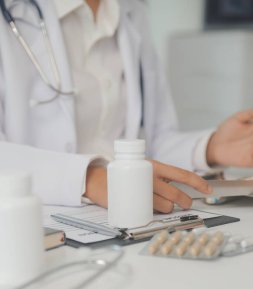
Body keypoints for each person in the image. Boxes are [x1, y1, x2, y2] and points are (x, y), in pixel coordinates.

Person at [0, 0, 253, 213]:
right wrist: (89, 178)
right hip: (34, 225)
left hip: (128, 217)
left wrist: (208, 148)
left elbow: (150, 143)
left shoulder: (132, 11)